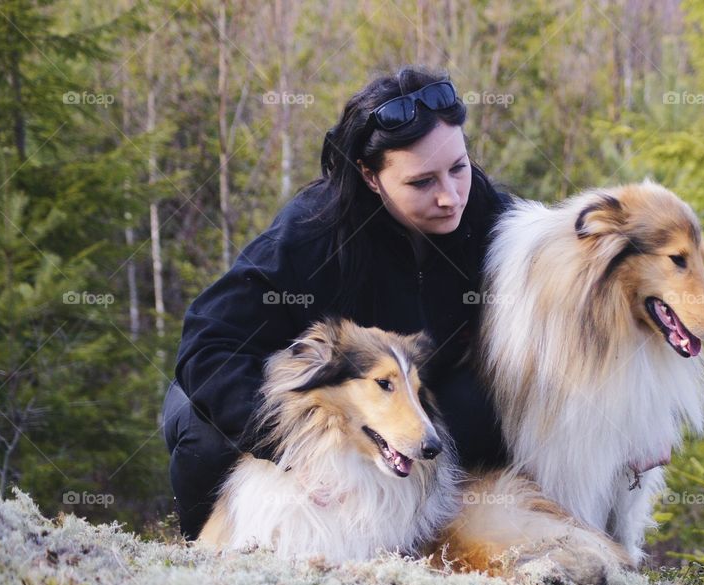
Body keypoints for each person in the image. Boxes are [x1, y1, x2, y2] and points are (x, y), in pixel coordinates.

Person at [162, 65, 513, 540]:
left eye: (458, 167)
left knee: (482, 412)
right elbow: (209, 342)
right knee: (205, 439)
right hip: (275, 398)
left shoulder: (490, 216)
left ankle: (433, 548)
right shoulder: (313, 231)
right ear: (370, 176)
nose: (450, 197)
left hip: (407, 393)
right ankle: (214, 559)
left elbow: (572, 317)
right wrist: (287, 446)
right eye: (421, 182)